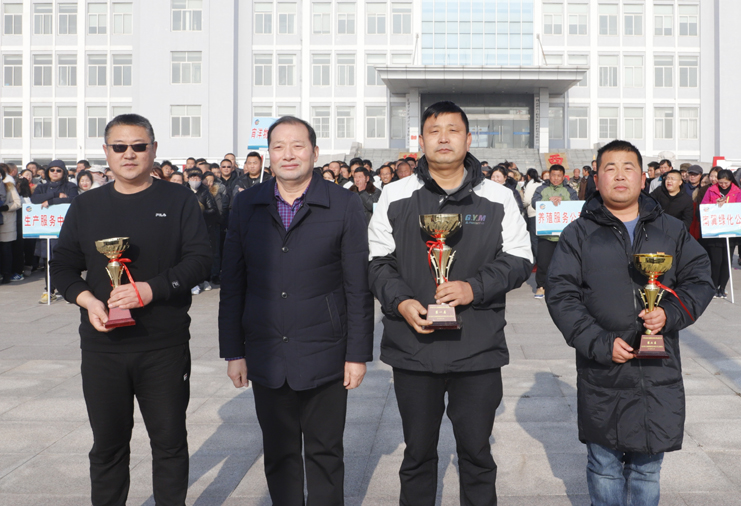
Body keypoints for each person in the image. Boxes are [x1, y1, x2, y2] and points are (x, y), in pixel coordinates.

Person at [368, 101, 532, 506]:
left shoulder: (497, 197)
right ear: (421, 140)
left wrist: (473, 288)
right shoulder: (395, 194)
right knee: (417, 455)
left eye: (453, 130)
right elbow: (377, 262)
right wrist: (401, 302)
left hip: (477, 348)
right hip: (414, 347)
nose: (443, 138)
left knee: (476, 455)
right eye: (434, 130)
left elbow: (519, 259)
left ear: (468, 139)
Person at [51, 113, 212, 506]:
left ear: (153, 150)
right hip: (103, 348)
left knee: (169, 443)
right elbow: (63, 267)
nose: (129, 154)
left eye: (138, 146)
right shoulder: (86, 205)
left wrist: (150, 290)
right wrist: (88, 300)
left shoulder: (179, 200)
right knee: (107, 447)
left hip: (163, 345)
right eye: (119, 147)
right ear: (106, 152)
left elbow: (200, 260)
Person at [545, 139, 714, 506]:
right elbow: (561, 294)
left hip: (658, 369)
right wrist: (598, 342)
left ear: (642, 178)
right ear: (596, 178)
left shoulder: (670, 230)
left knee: (647, 470)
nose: (619, 175)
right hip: (602, 368)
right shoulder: (578, 233)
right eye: (610, 168)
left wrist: (670, 313)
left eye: (628, 168)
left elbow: (700, 279)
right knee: (603, 466)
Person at [219, 115, 373, 506]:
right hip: (267, 350)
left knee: (325, 454)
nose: (288, 154)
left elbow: (358, 286)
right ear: (268, 155)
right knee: (279, 454)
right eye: (279, 147)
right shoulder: (246, 204)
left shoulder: (343, 203)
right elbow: (233, 283)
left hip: (325, 350)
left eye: (298, 145)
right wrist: (233, 351)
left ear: (315, 152)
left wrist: (357, 355)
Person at [32, 160, 79, 303]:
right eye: (52, 170)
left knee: (67, 260)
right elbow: (35, 199)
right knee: (48, 260)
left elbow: (73, 199)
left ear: (64, 172)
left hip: (65, 230)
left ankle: (71, 289)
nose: (55, 173)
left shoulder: (70, 186)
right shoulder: (42, 187)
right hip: (47, 230)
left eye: (59, 170)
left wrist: (52, 201)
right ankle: (49, 290)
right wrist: (57, 195)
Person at [531, 164, 577, 299]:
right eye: (553, 175)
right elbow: (534, 203)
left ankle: (564, 287)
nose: (556, 178)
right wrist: (548, 201)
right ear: (549, 176)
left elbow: (575, 203)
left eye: (559, 176)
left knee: (565, 262)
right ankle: (541, 287)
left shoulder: (569, 190)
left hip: (564, 235)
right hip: (546, 234)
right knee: (543, 262)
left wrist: (563, 200)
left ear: (563, 177)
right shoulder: (541, 189)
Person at [701, 169, 741, 298]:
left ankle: (722, 287)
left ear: (731, 181)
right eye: (721, 182)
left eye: (726, 183)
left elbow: (738, 208)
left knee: (726, 261)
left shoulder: (737, 191)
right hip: (715, 231)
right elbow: (704, 207)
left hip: (730, 231)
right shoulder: (711, 190)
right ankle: (713, 286)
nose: (723, 185)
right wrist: (715, 205)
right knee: (716, 261)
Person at [187, 170, 220, 293]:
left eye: (197, 178)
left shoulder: (205, 192)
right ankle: (192, 281)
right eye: (192, 178)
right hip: (187, 227)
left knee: (203, 253)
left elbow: (213, 210)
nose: (195, 181)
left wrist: (201, 211)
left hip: (203, 227)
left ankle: (204, 279)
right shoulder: (184, 191)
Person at [0, 165, 21, 284]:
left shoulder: (8, 186)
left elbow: (17, 203)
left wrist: (5, 207)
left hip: (6, 223)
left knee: (6, 250)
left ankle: (6, 274)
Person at [523, 168, 543, 259]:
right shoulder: (542, 182)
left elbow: (527, 200)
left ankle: (537, 257)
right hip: (542, 213)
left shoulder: (530, 184)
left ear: (528, 176)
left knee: (534, 237)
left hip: (532, 213)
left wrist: (523, 205)